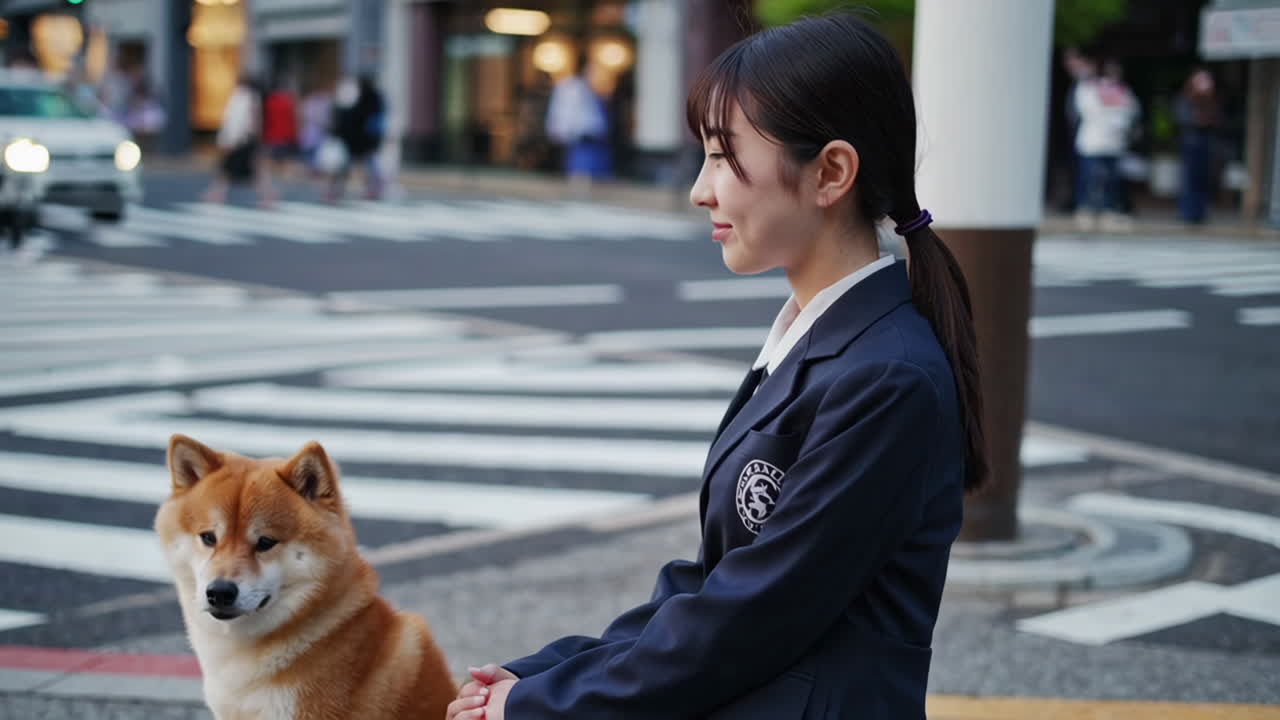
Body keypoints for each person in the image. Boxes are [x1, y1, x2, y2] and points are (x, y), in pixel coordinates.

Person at [448, 12, 985, 720]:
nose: (702, 190)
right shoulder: (819, 346)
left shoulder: (885, 378)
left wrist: (540, 706)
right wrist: (543, 672)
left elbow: (752, 615)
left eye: (724, 158)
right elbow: (711, 584)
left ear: (830, 172)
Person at [1072, 58, 1139, 232]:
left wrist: (1119, 123)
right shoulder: (1089, 88)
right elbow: (1088, 110)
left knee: (1112, 180)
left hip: (1114, 144)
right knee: (1089, 178)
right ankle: (1086, 211)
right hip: (1093, 142)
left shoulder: (1122, 90)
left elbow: (1131, 110)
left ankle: (1107, 211)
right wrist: (1114, 121)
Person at [202, 75, 275, 206]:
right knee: (251, 167)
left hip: (242, 139)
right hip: (242, 138)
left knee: (232, 167)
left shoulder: (244, 97)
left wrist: (230, 138)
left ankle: (217, 193)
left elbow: (238, 120)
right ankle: (267, 195)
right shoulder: (248, 96)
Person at [544, 55, 611, 198]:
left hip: (587, 131)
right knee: (580, 161)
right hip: (579, 131)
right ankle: (578, 190)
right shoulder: (573, 88)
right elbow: (564, 110)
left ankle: (582, 190)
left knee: (585, 160)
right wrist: (560, 128)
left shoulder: (587, 89)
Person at [326, 74, 386, 202]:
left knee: (348, 165)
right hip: (364, 140)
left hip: (356, 139)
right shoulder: (374, 100)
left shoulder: (361, 100)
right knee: (366, 165)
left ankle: (337, 190)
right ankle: (373, 188)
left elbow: (348, 120)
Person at [1175, 68, 1219, 224]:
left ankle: (1200, 212)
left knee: (1203, 177)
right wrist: (1199, 121)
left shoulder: (1210, 100)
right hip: (1191, 140)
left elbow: (1215, 119)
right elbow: (1183, 118)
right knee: (1189, 178)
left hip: (1205, 141)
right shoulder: (1186, 98)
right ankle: (1188, 212)